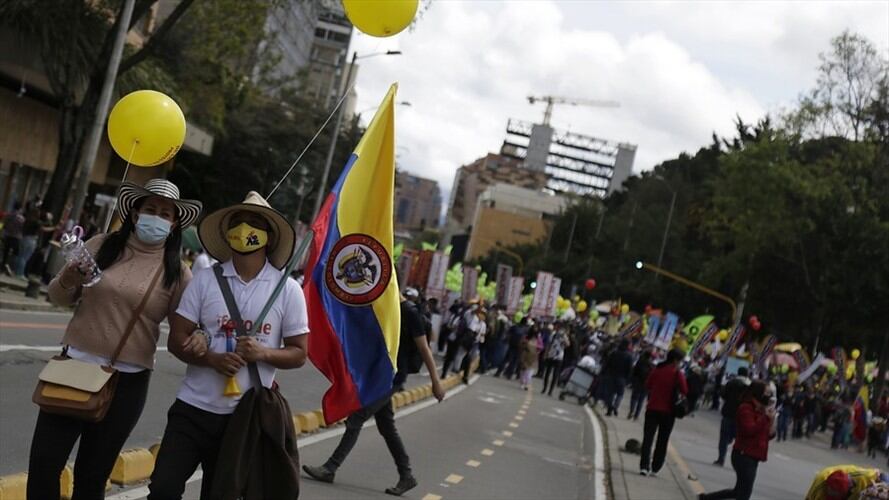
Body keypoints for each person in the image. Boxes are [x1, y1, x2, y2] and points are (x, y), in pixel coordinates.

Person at [28, 179, 201, 500]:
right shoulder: (101, 245)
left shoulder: (178, 272)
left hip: (126, 384)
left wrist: (201, 338)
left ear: (175, 223)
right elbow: (57, 296)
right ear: (135, 214)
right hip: (72, 369)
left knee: (92, 477)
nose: (156, 218)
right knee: (43, 465)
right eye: (150, 209)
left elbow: (185, 330)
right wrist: (68, 278)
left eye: (165, 214)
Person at [148, 191, 307, 500]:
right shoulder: (205, 280)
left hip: (244, 419)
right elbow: (177, 339)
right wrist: (211, 359)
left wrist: (262, 353)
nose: (244, 229)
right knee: (163, 488)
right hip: (192, 409)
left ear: (269, 236)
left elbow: (299, 353)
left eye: (254, 223)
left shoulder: (287, 290)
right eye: (238, 222)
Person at [302, 292, 446, 496]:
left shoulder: (410, 312)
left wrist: (435, 382)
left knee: (357, 417)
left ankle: (330, 468)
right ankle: (406, 476)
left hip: (393, 378)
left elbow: (424, 348)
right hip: (378, 375)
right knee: (387, 426)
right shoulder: (384, 306)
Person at [699, 380, 776, 500]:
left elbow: (769, 435)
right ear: (758, 393)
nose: (769, 396)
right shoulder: (746, 408)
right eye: (766, 393)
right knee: (744, 493)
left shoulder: (762, 410)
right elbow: (749, 430)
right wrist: (765, 418)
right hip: (744, 455)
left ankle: (707, 498)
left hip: (754, 456)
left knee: (739, 491)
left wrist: (772, 420)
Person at [639, 348, 688, 477]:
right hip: (668, 412)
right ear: (676, 360)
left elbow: (648, 384)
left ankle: (644, 466)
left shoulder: (657, 369)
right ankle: (655, 467)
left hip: (652, 408)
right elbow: (684, 390)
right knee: (662, 440)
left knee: (648, 438)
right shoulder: (677, 373)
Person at [714, 367, 751, 466]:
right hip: (741, 415)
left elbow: (723, 394)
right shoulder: (749, 386)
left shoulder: (731, 382)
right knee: (738, 438)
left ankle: (721, 458)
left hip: (728, 412)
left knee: (724, 437)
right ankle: (739, 461)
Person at [603, 339, 634, 416]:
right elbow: (630, 369)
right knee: (620, 394)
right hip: (622, 378)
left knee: (611, 393)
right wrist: (628, 380)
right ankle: (615, 407)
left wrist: (605, 372)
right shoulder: (629, 356)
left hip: (612, 375)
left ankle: (609, 408)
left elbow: (608, 363)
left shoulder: (614, 352)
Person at [541, 325, 569, 396]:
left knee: (555, 374)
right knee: (547, 373)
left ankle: (550, 391)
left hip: (559, 357)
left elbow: (567, 344)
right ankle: (544, 388)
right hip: (551, 355)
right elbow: (548, 345)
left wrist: (564, 337)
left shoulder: (564, 336)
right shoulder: (553, 335)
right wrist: (546, 354)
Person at [628, 351, 653, 420]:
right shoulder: (651, 365)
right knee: (641, 400)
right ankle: (636, 415)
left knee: (634, 398)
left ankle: (631, 411)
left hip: (638, 382)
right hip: (646, 385)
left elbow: (634, 372)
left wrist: (632, 381)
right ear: (650, 357)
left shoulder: (639, 362)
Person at [1, 201, 24, 275]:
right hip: (16, 237)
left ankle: (3, 267)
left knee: (6, 252)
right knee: (15, 253)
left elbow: (4, 225)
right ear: (20, 208)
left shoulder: (8, 215)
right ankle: (9, 267)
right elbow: (22, 228)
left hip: (8, 236)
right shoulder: (20, 218)